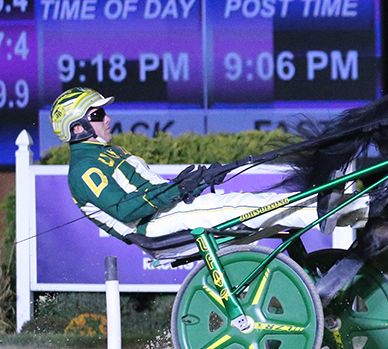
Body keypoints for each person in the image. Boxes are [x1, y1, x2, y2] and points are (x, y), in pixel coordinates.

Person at [50, 87, 367, 244]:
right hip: (154, 225)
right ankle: (340, 209)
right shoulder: (84, 168)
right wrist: (178, 189)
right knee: (251, 208)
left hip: (167, 213)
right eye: (97, 115)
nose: (107, 119)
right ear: (77, 128)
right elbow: (126, 209)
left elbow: (149, 192)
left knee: (253, 202)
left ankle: (358, 209)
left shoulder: (106, 153)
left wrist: (195, 182)